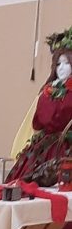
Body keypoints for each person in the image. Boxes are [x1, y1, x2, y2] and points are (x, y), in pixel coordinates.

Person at [6, 29, 72, 183]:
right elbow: (37, 122)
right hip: (46, 146)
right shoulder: (47, 91)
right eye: (58, 64)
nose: (61, 68)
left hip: (65, 146)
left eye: (66, 63)